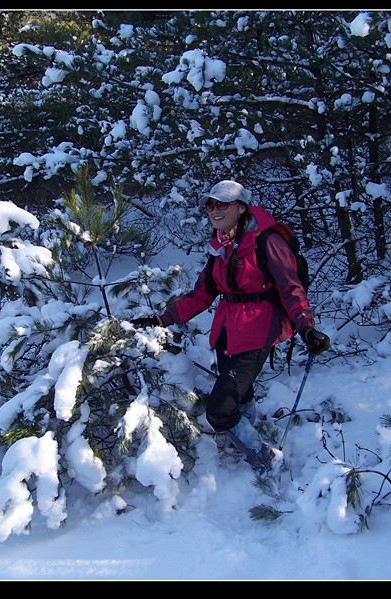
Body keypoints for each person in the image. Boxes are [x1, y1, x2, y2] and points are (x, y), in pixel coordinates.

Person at [133, 180, 330, 474]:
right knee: (242, 392)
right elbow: (202, 294)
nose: (214, 210)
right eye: (210, 205)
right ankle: (257, 433)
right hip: (228, 329)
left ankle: (264, 460)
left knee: (220, 410)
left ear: (241, 207)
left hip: (259, 330)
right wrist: (163, 319)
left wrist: (306, 327)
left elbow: (291, 287)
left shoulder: (266, 241)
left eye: (222, 203)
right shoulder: (221, 245)